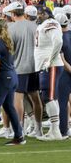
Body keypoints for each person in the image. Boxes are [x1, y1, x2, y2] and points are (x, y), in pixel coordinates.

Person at [5, 1, 42, 137]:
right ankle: (38, 129)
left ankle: (19, 130)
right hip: (35, 66)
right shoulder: (35, 26)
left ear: (13, 13)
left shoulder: (11, 29)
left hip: (19, 67)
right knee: (35, 97)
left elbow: (9, 50)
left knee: (18, 99)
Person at [35, 12, 65, 140]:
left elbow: (58, 41)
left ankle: (55, 131)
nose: (38, 16)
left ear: (47, 14)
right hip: (47, 65)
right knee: (51, 97)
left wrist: (50, 60)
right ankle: (54, 129)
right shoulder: (43, 25)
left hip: (51, 66)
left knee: (48, 97)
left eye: (41, 13)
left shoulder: (50, 23)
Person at [58, 9, 71, 138]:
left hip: (65, 74)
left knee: (62, 102)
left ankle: (63, 130)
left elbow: (63, 60)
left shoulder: (60, 38)